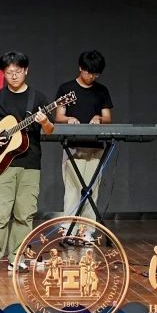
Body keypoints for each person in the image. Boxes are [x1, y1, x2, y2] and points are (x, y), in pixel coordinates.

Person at [0, 51, 53, 274]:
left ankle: (18, 257)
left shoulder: (38, 98)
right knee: (0, 212)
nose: (14, 76)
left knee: (25, 213)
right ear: (3, 73)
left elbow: (50, 130)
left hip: (31, 162)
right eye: (9, 72)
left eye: (18, 71)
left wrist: (45, 122)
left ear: (26, 70)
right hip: (3, 164)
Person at [53, 50, 113, 219]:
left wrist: (99, 118)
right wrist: (68, 119)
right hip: (73, 146)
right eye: (89, 72)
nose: (91, 77)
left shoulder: (101, 90)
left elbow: (108, 118)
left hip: (96, 146)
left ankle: (87, 229)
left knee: (92, 189)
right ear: (80, 68)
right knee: (72, 189)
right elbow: (59, 117)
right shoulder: (66, 89)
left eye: (96, 74)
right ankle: (69, 228)